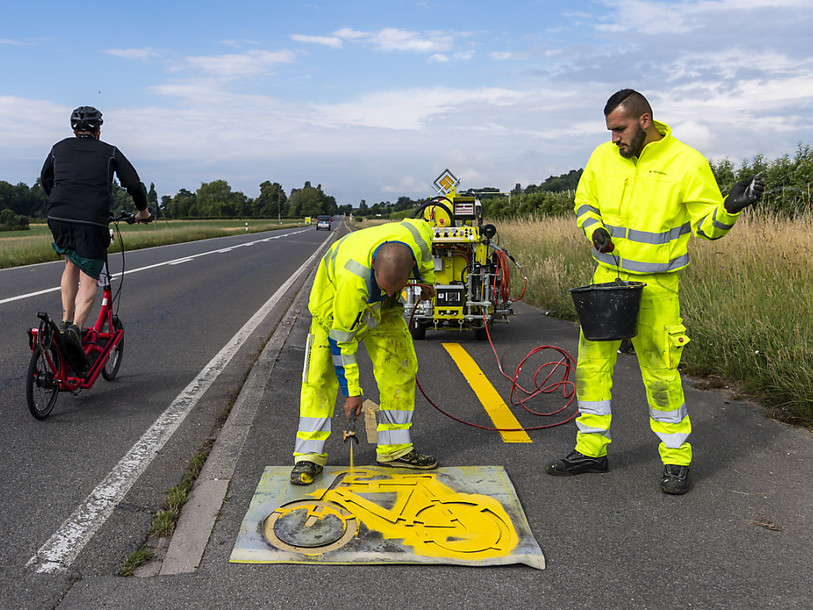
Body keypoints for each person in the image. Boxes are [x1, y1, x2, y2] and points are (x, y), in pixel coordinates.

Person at [547, 89, 765, 494]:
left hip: (657, 287)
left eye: (620, 129)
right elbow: (584, 201)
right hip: (606, 280)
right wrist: (594, 229)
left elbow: (707, 227)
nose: (614, 138)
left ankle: (676, 460)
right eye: (610, 130)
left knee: (661, 374)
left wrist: (730, 209)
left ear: (644, 121)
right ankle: (591, 450)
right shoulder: (602, 158)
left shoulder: (686, 163)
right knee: (591, 369)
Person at [291, 219, 437, 485]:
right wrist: (352, 393)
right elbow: (341, 342)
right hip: (332, 312)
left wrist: (427, 283)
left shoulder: (418, 237)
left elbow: (426, 258)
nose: (391, 292)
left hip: (384, 309)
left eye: (397, 287)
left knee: (400, 367)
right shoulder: (353, 281)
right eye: (385, 287)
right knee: (320, 379)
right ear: (373, 269)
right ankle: (308, 456)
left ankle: (395, 449)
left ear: (411, 265)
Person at [41, 106, 151, 364]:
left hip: (58, 217)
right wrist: (143, 213)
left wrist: (62, 202)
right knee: (90, 279)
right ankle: (74, 330)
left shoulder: (58, 148)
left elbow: (46, 179)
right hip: (91, 221)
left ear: (73, 130)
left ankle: (66, 319)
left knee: (70, 263)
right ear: (98, 130)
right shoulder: (109, 151)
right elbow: (134, 185)